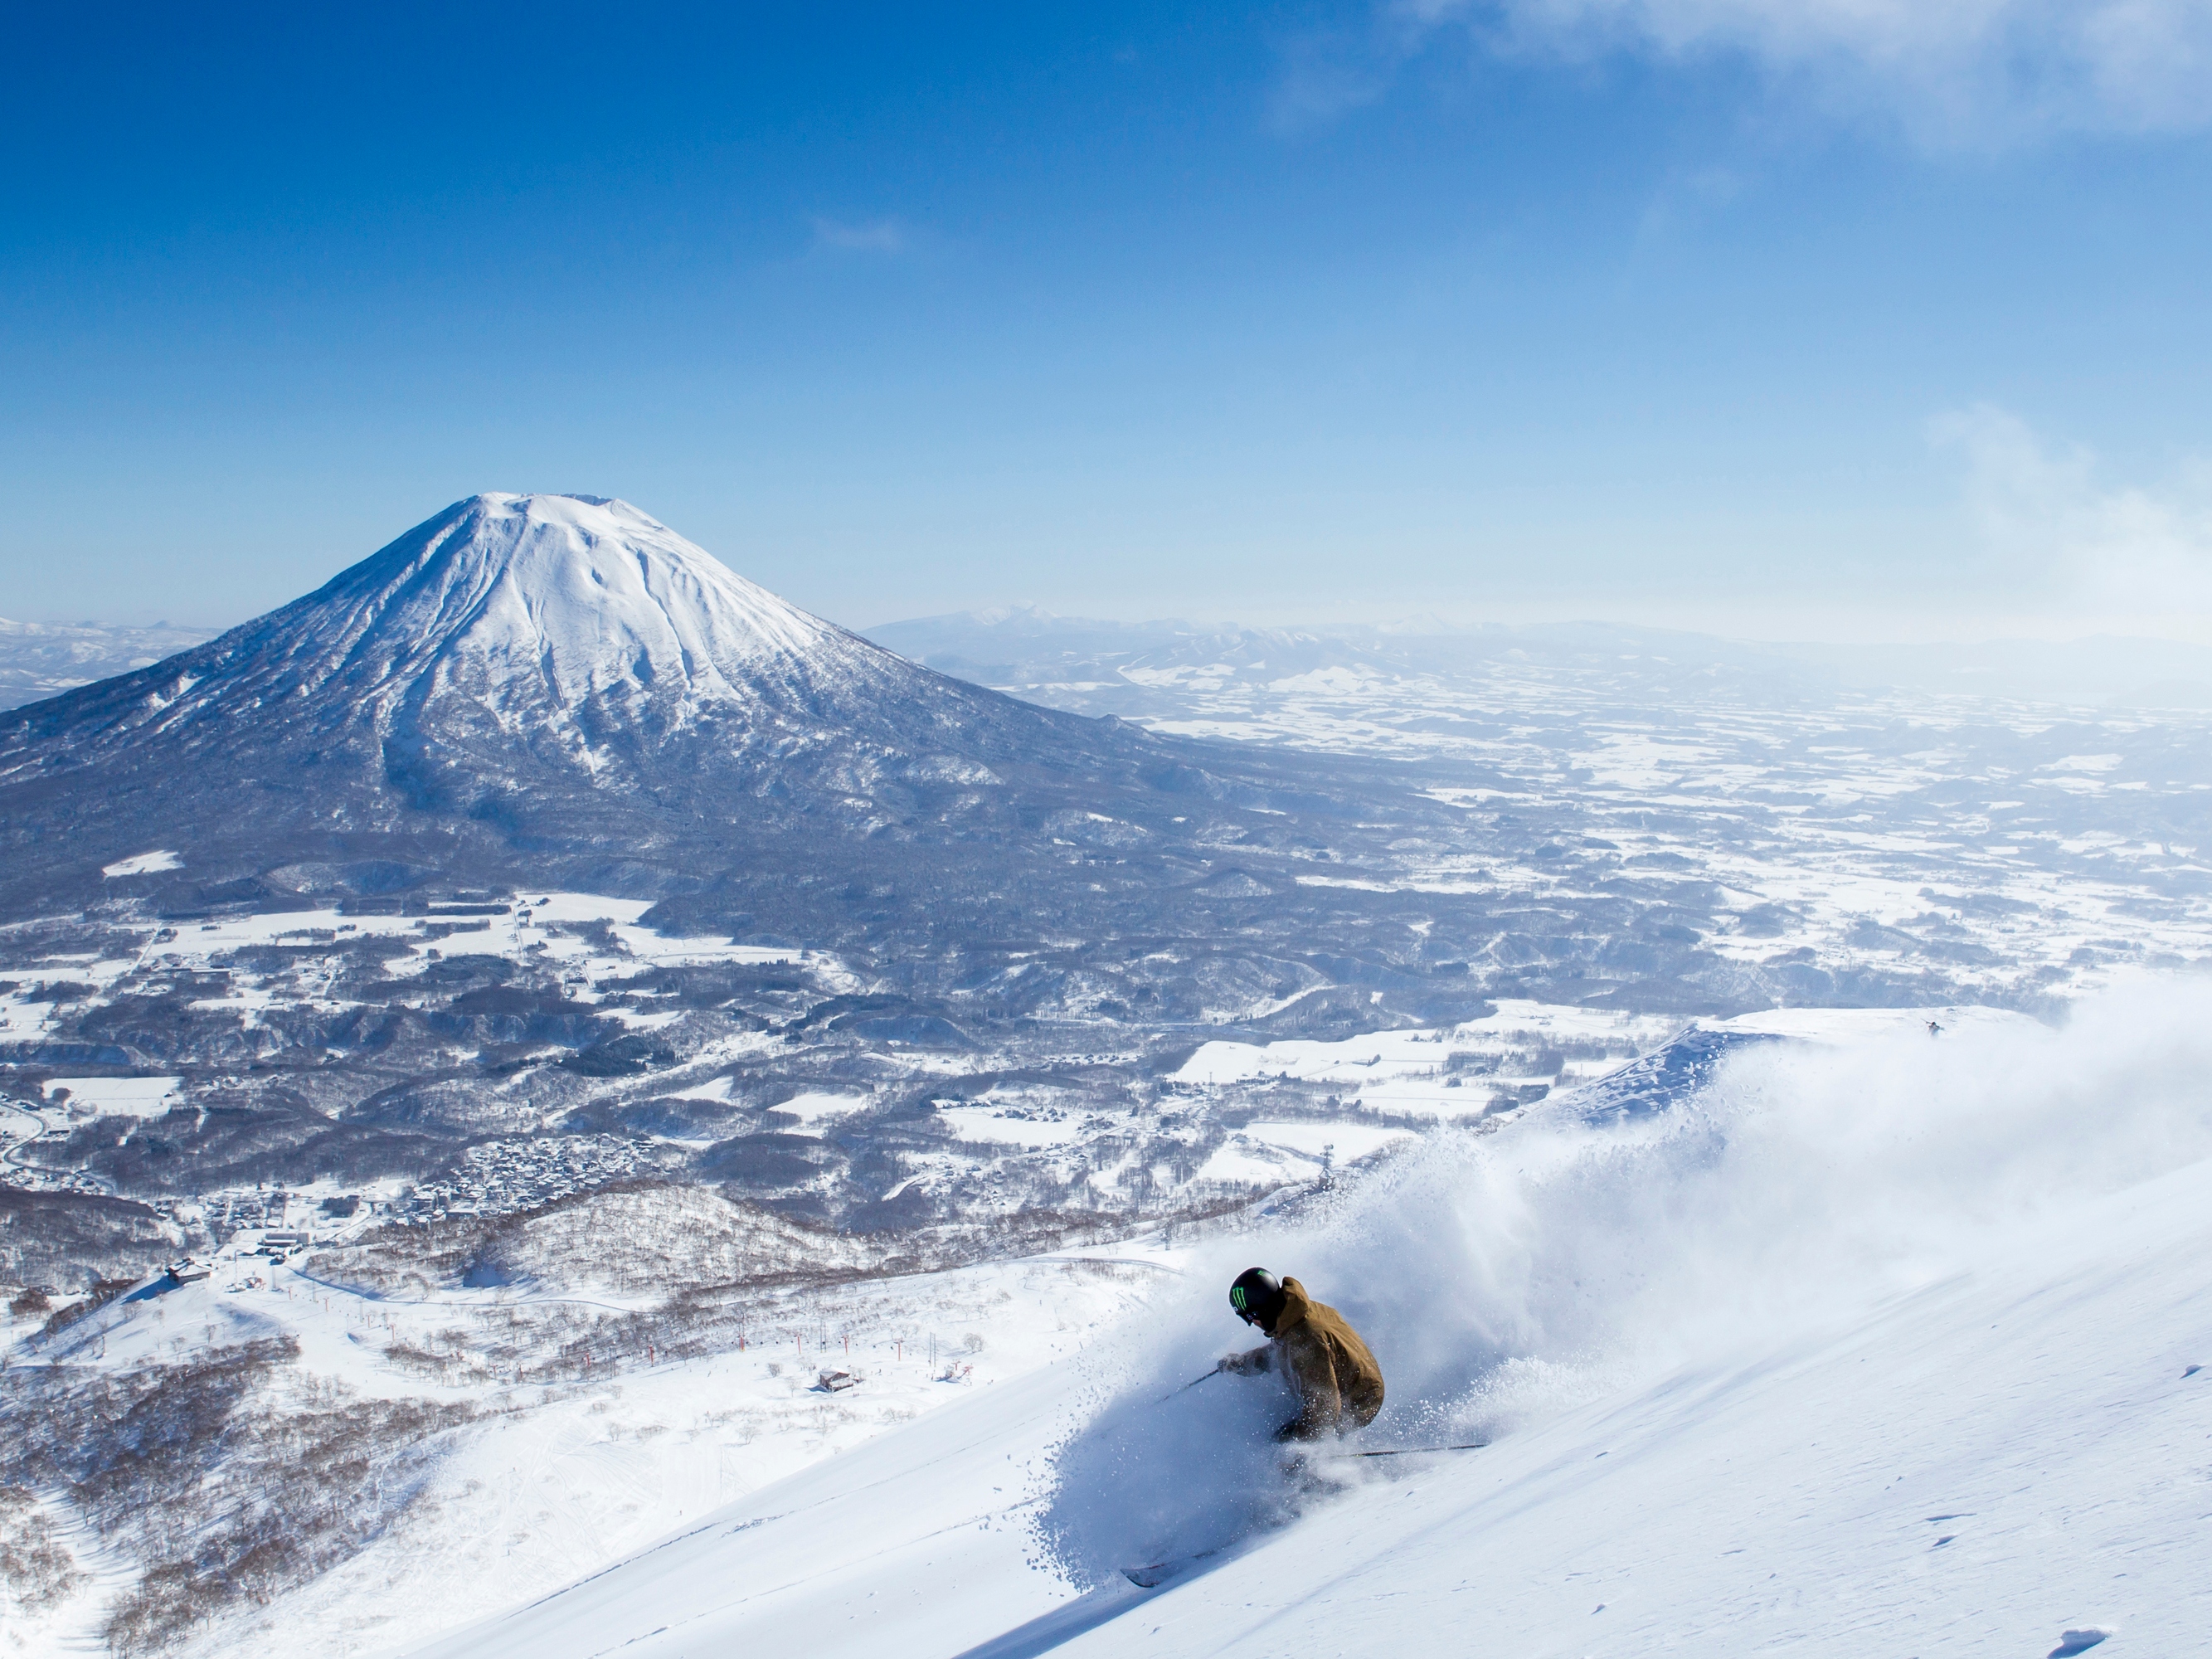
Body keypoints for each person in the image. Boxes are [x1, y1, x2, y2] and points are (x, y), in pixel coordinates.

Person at [1217, 1267, 1384, 1440]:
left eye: (1250, 1317)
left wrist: (1300, 1448)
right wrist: (1241, 1363)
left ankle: (1328, 1452)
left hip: (1359, 1402)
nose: (1252, 1323)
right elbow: (1279, 1352)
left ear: (1261, 1311)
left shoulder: (1306, 1342)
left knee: (1282, 1442)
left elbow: (1325, 1408)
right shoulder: (1294, 1312)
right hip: (1349, 1384)